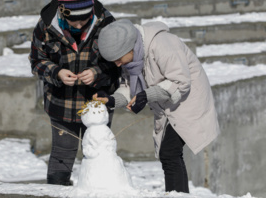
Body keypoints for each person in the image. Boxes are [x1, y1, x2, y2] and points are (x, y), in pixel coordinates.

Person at [94, 19, 220, 193]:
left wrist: (146, 95)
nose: (117, 64)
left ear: (129, 47)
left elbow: (180, 82)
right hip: (167, 105)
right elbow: (128, 88)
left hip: (189, 101)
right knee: (169, 154)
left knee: (169, 152)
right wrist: (112, 100)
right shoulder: (132, 60)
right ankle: (178, 195)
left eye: (118, 59)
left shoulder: (162, 44)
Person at [28, 0, 120, 186]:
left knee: (98, 152)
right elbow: (36, 60)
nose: (79, 25)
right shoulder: (46, 26)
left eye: (84, 20)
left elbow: (118, 62)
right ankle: (57, 190)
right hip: (62, 103)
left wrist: (97, 72)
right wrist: (56, 72)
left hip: (96, 102)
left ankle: (98, 191)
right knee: (62, 152)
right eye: (74, 21)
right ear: (63, 12)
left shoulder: (106, 23)